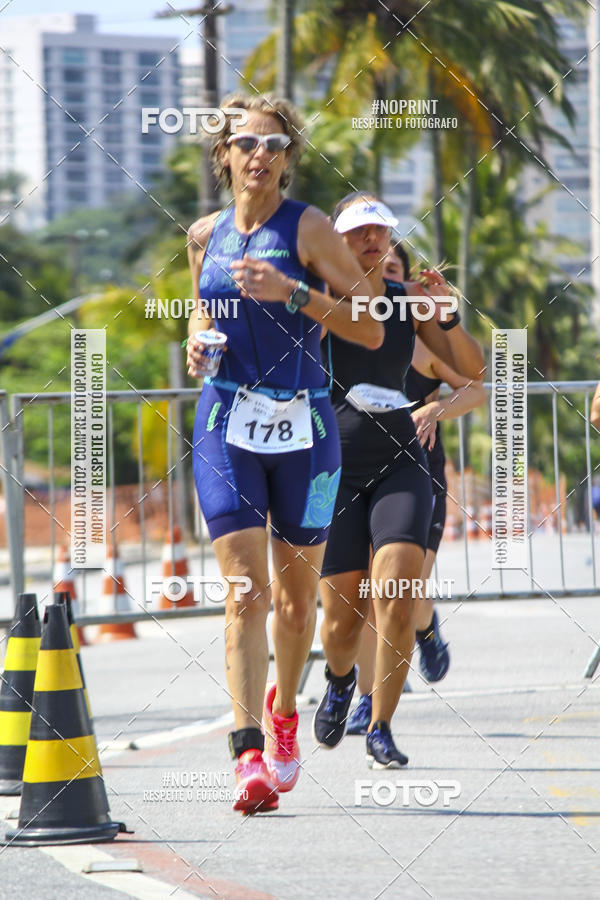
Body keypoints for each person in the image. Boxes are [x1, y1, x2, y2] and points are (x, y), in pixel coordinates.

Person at [185, 94, 384, 813]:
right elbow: (204, 309)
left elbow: (368, 328)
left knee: (296, 607)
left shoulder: (309, 229)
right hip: (225, 418)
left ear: (289, 158)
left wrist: (295, 293)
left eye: (274, 145)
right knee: (244, 592)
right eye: (246, 144)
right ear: (225, 156)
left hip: (305, 427)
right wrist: (196, 343)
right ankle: (246, 757)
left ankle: (284, 718)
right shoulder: (205, 234)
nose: (260, 156)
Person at [312, 192, 485, 767]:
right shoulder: (319, 301)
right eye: (358, 233)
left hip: (401, 463)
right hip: (333, 469)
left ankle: (381, 722)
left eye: (379, 233)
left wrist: (447, 313)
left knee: (397, 590)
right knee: (341, 619)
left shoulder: (407, 306)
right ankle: (339, 680)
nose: (370, 241)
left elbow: (475, 374)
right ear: (335, 242)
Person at [347, 241, 487, 735]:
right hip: (354, 472)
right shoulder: (342, 325)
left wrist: (434, 409)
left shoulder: (422, 342)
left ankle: (425, 628)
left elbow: (478, 385)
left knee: (407, 590)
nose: (380, 276)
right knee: (365, 592)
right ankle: (368, 701)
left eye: (391, 269)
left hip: (416, 470)